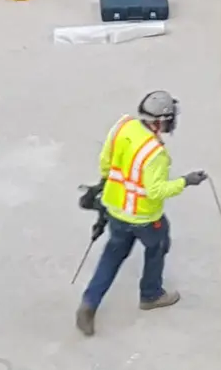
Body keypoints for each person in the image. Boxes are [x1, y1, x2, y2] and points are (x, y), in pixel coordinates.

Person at [76, 91, 206, 336]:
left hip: (115, 209)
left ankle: (89, 303)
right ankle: (151, 294)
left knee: (112, 256)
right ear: (159, 121)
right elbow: (155, 191)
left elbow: (106, 161)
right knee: (158, 247)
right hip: (145, 218)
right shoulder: (154, 153)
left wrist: (106, 187)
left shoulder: (123, 127)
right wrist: (186, 181)